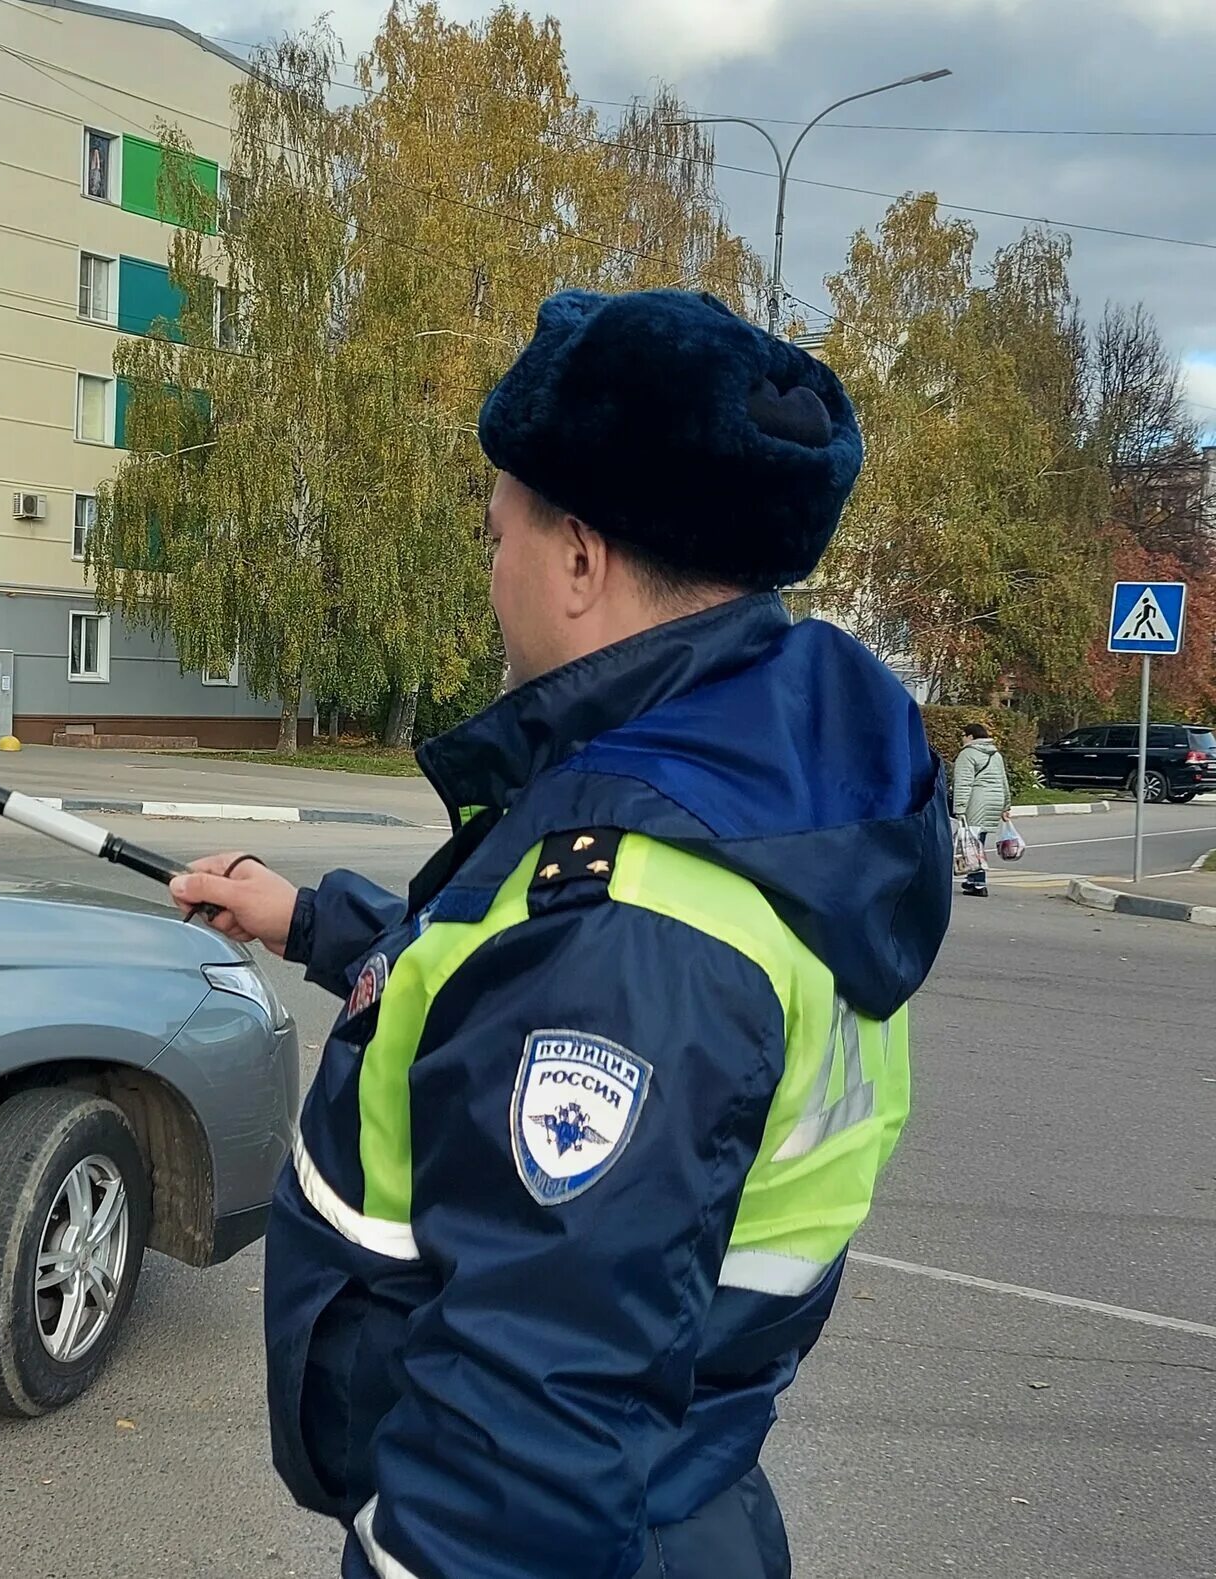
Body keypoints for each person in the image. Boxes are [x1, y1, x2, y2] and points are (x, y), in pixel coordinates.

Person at [172, 289, 953, 1579]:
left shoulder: (633, 922)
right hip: (679, 1498)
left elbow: (525, 1446)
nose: (490, 577)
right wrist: (312, 918)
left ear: (581, 560)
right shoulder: (734, 788)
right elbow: (495, 973)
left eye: (498, 539)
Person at [952, 722, 1010, 897]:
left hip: (976, 801)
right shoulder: (995, 754)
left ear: (970, 736)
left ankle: (978, 883)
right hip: (995, 800)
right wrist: (1006, 805)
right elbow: (1003, 781)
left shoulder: (968, 754)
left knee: (971, 843)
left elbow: (963, 783)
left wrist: (959, 808)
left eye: (963, 735)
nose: (962, 739)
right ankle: (972, 881)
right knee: (977, 841)